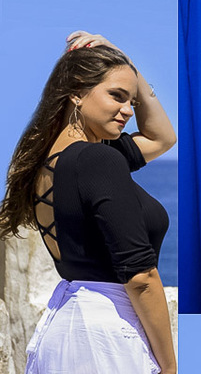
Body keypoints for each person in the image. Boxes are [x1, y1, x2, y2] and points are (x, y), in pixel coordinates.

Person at [0, 32, 177, 374]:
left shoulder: (48, 162)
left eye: (132, 100)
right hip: (107, 337)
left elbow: (162, 138)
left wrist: (126, 65)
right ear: (77, 92)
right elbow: (141, 277)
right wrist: (170, 367)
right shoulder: (97, 160)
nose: (129, 110)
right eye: (117, 96)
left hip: (67, 327)